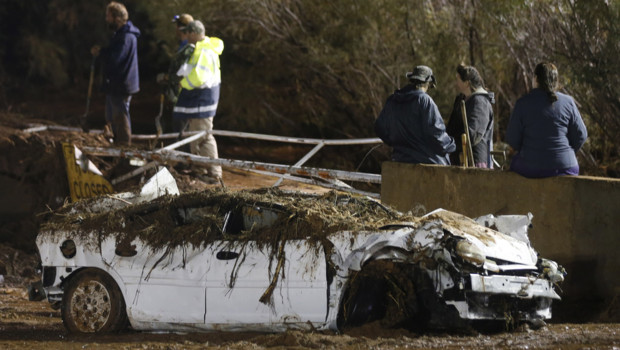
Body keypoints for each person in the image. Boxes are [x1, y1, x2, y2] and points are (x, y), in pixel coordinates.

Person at [506, 62, 588, 178]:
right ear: (556, 81)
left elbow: (513, 139)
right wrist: (564, 152)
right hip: (566, 166)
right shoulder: (568, 102)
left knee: (514, 163)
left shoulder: (522, 103)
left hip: (531, 166)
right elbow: (581, 134)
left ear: (535, 79)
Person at [173, 20, 224, 184]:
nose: (185, 36)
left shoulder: (203, 51)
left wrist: (182, 83)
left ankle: (214, 173)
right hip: (203, 97)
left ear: (194, 33)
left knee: (204, 135)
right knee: (197, 134)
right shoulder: (204, 48)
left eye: (187, 33)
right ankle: (200, 169)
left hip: (203, 98)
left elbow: (197, 77)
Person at [375, 65, 456, 165]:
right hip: (428, 162)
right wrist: (452, 145)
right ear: (428, 83)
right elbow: (437, 135)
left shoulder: (393, 100)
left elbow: (379, 127)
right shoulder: (425, 101)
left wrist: (396, 143)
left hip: (400, 159)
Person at [91, 1, 140, 145]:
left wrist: (101, 54)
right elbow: (114, 53)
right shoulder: (121, 35)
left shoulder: (126, 37)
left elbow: (115, 59)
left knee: (120, 115)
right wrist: (102, 51)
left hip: (122, 83)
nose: (107, 19)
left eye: (108, 16)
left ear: (117, 18)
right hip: (118, 83)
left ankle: (124, 146)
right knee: (112, 115)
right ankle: (114, 142)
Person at [446, 64, 495, 168]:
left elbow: (473, 135)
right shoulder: (463, 100)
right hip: (460, 160)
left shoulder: (480, 103)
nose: (456, 83)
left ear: (467, 83)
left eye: (458, 79)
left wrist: (452, 143)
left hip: (475, 162)